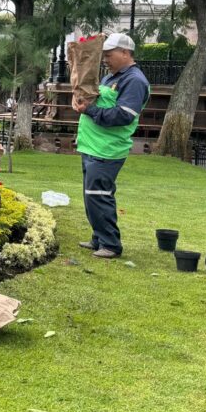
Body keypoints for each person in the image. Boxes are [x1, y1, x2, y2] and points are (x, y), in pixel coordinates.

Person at [73, 32, 150, 259]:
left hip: (107, 149)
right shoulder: (110, 77)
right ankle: (98, 238)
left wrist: (89, 110)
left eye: (109, 55)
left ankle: (111, 244)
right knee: (92, 195)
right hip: (92, 146)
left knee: (99, 194)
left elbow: (123, 116)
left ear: (125, 53)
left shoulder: (134, 81)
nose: (104, 59)